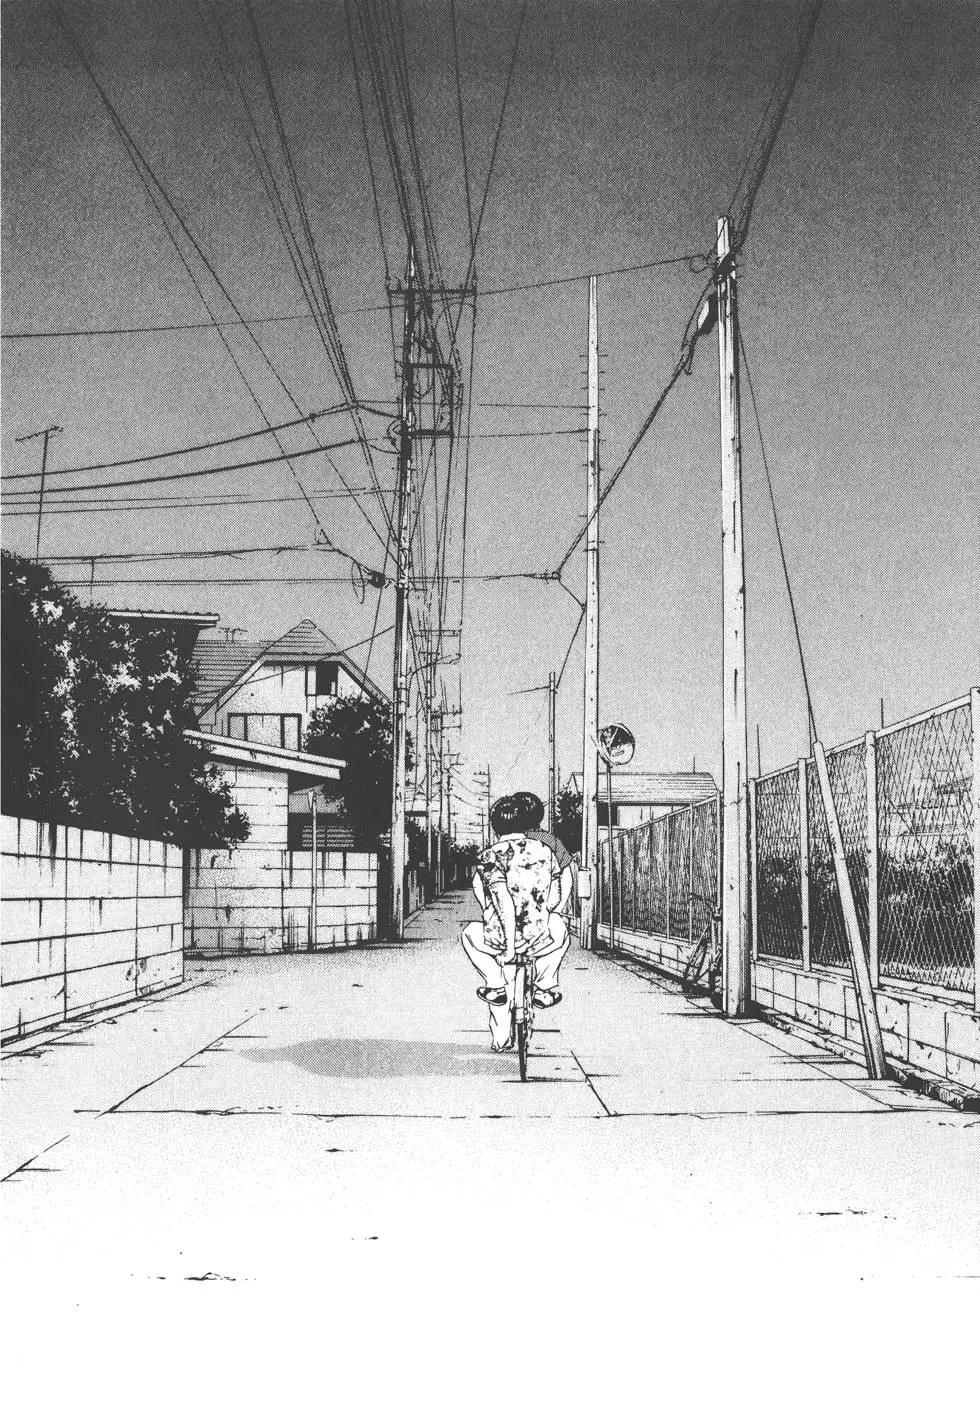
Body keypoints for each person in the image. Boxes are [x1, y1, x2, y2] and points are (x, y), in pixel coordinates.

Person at [460, 792, 571, 1052]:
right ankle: (545, 985)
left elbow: (495, 900)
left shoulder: (489, 856)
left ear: (495, 827)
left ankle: (494, 986)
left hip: (501, 937)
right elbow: (557, 891)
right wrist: (545, 910)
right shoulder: (547, 850)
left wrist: (493, 917)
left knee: (470, 934)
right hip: (539, 935)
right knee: (560, 928)